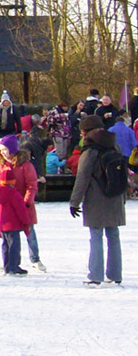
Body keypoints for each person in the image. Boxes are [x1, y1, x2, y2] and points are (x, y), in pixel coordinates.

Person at [69, 114, 127, 286]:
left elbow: (82, 177)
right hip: (115, 197)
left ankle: (95, 275)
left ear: (87, 132)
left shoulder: (90, 150)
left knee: (96, 235)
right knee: (113, 235)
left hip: (96, 199)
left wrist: (74, 202)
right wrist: (122, 196)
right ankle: (115, 274)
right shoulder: (114, 145)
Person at [0, 134, 30, 275]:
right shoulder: (14, 194)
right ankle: (14, 266)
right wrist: (25, 223)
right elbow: (21, 210)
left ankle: (7, 265)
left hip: (3, 223)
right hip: (14, 224)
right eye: (0, 150)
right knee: (14, 245)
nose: (2, 153)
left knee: (5, 244)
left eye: (4, 150)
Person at [12, 144, 45, 272]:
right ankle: (11, 259)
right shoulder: (5, 165)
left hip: (24, 204)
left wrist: (26, 203)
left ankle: (35, 259)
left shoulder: (27, 166)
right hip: (11, 204)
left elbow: (32, 186)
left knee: (30, 232)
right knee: (10, 234)